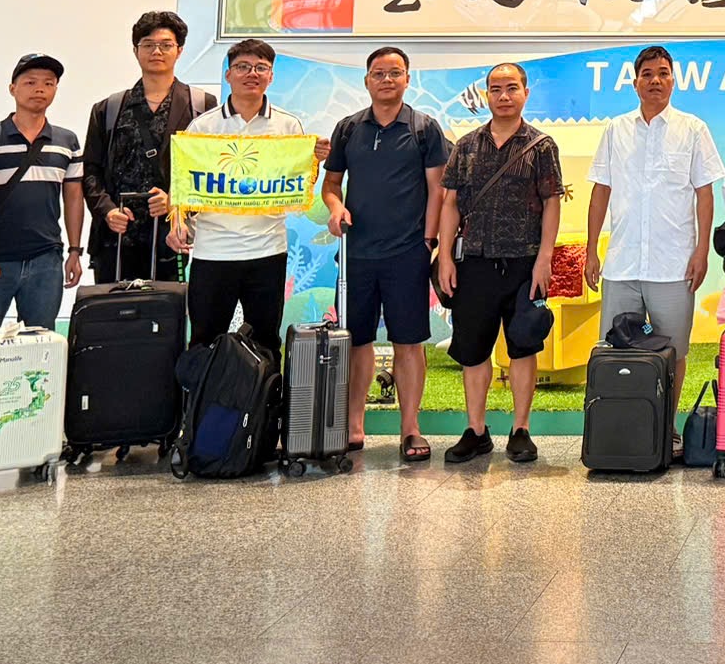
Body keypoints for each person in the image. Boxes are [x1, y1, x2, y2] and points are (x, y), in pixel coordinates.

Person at [322, 45, 448, 462]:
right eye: (379, 73)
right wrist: (336, 208)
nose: (387, 80)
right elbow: (331, 185)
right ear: (367, 81)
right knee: (356, 341)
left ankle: (410, 429)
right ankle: (354, 426)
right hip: (356, 255)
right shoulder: (348, 129)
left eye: (395, 73)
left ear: (408, 79)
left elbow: (438, 190)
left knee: (408, 342)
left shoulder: (425, 129)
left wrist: (428, 242)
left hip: (407, 253)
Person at [437, 61, 564, 465]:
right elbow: (450, 203)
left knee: (523, 345)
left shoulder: (541, 146)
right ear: (486, 95)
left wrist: (545, 258)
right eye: (496, 89)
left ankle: (520, 429)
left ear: (526, 93)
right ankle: (476, 431)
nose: (504, 96)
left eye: (512, 88)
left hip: (525, 263)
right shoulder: (466, 145)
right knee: (473, 350)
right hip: (474, 262)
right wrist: (445, 256)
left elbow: (552, 202)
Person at [585, 45, 724, 412]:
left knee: (673, 352)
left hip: (674, 265)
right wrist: (591, 251)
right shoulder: (616, 130)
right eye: (647, 74)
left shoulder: (693, 129)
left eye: (663, 73)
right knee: (616, 351)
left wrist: (701, 252)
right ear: (635, 83)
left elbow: (705, 194)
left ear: (673, 81)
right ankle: (621, 430)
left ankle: (664, 431)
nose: (655, 81)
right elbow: (601, 191)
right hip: (622, 264)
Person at [169, 38, 313, 345]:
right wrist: (178, 223)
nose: (252, 73)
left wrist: (313, 161)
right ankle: (205, 381)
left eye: (261, 67)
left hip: (268, 250)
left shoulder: (288, 126)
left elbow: (298, 187)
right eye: (243, 66)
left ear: (271, 75)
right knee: (205, 340)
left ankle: (264, 381)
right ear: (228, 74)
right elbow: (184, 187)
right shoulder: (202, 127)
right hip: (212, 250)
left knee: (265, 340)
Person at [82, 10, 216, 285]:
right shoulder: (109, 109)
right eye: (148, 44)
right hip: (117, 236)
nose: (157, 51)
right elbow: (91, 170)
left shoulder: (201, 106)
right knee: (112, 310)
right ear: (136, 50)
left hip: (172, 237)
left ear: (179, 51)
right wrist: (107, 210)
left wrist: (176, 203)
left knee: (168, 309)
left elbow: (211, 170)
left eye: (166, 45)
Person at [0, 53, 84, 331]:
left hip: (46, 258)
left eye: (48, 83)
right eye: (30, 82)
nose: (40, 89)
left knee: (41, 340)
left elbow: (73, 198)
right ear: (12, 88)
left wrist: (75, 250)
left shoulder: (67, 141)